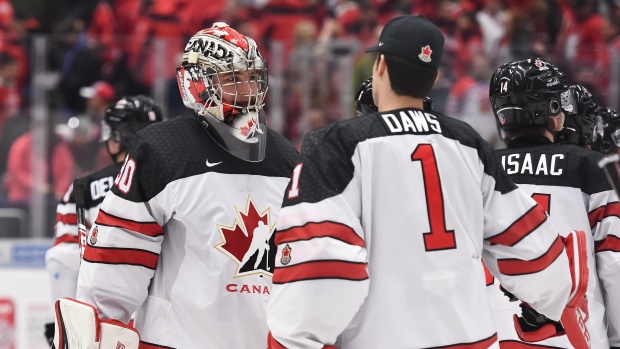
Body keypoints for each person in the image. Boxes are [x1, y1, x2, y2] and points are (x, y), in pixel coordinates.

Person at [266, 16, 586, 349]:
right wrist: (556, 293)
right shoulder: (469, 142)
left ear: (380, 65)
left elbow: (324, 266)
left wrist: (292, 339)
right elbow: (533, 254)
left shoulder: (335, 144)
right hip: (472, 339)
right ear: (433, 77)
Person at [53, 22, 299, 349]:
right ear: (197, 85)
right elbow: (112, 271)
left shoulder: (288, 158)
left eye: (252, 79)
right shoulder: (161, 151)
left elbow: (303, 272)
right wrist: (92, 331)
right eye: (232, 80)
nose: (247, 91)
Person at [487, 60, 620, 349]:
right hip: (574, 338)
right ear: (551, 110)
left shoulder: (479, 169)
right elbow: (614, 262)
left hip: (500, 335)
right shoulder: (590, 166)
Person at [44, 95, 162, 344]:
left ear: (117, 136)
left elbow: (64, 259)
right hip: (169, 320)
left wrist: (66, 324)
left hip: (107, 324)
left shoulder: (84, 187)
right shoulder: (177, 182)